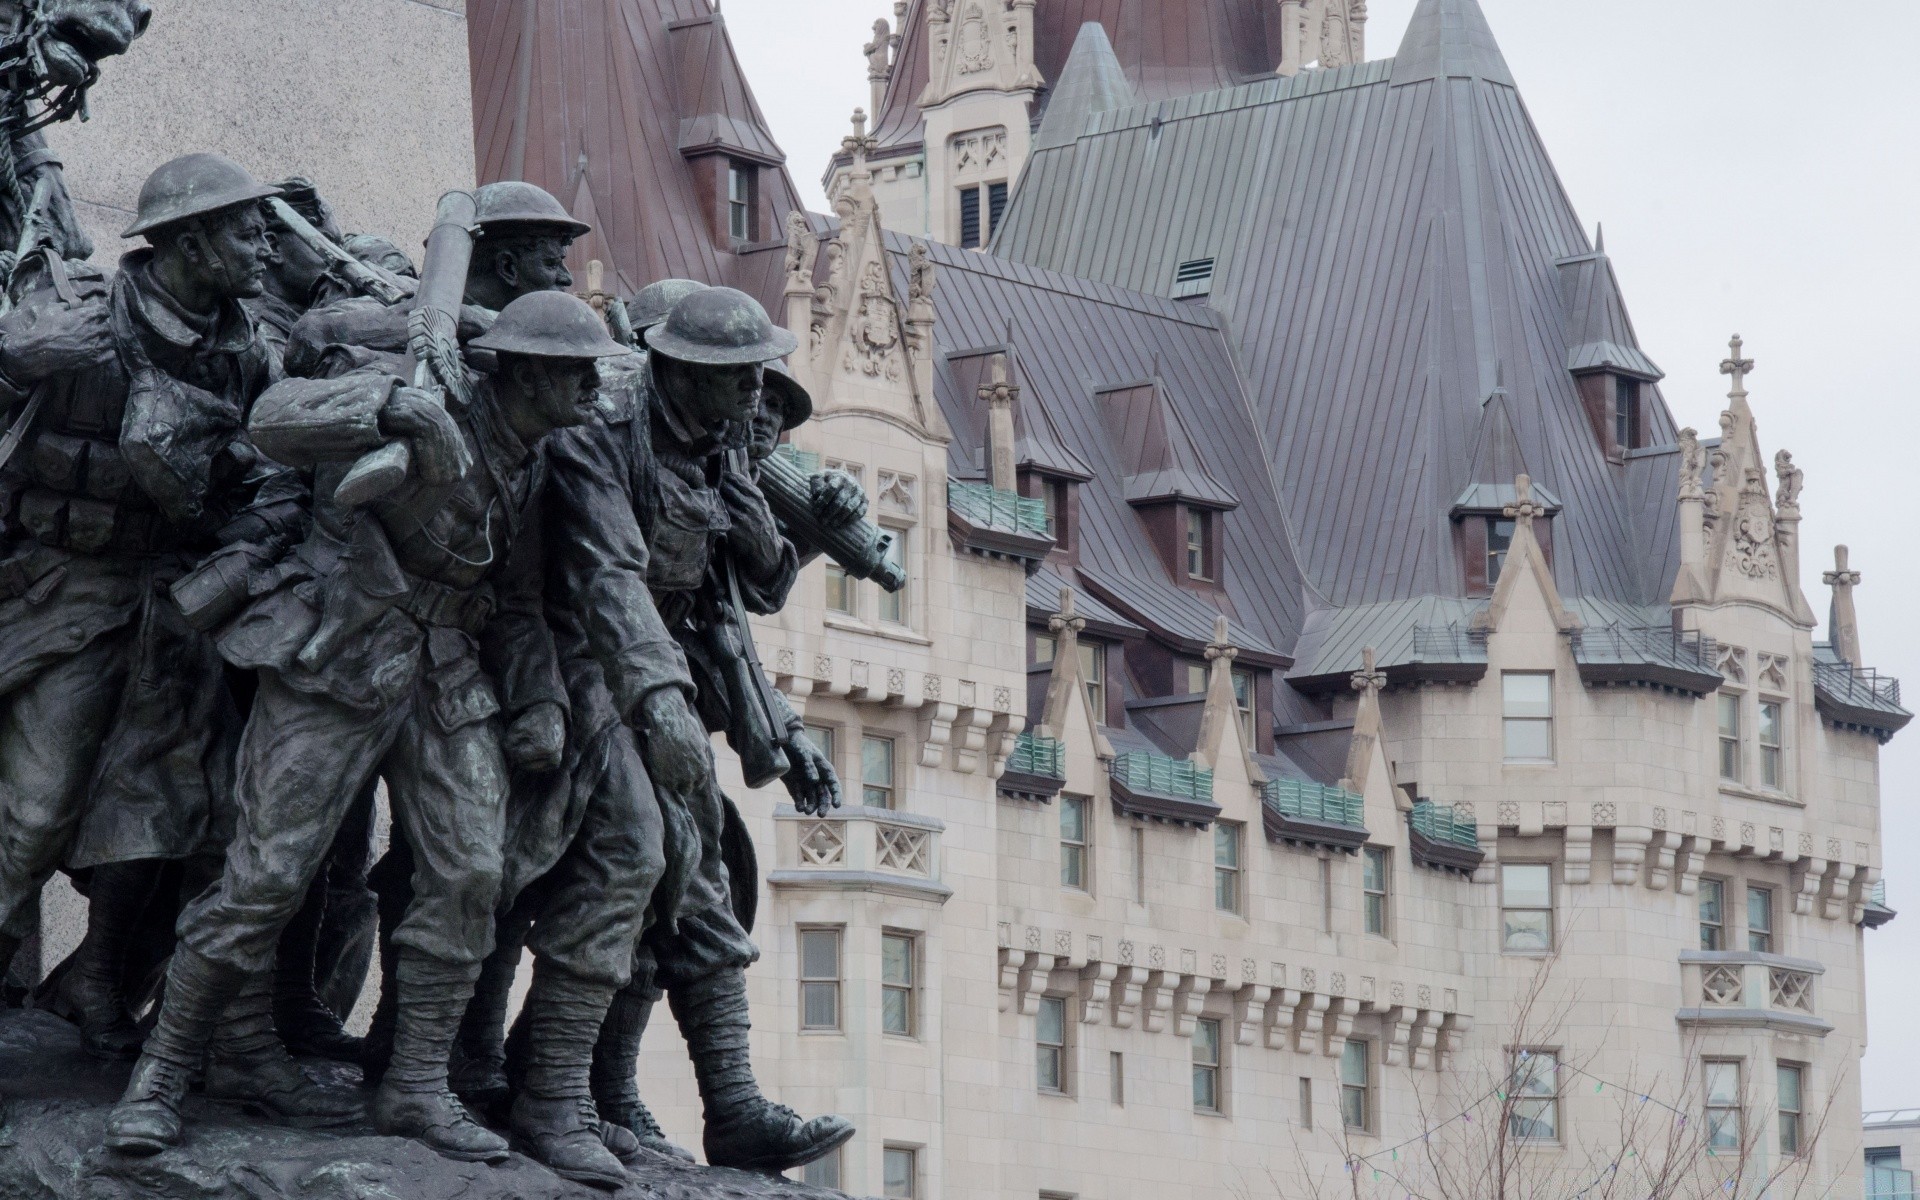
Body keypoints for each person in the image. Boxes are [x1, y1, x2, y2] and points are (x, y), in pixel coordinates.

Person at [103, 291, 622, 1165]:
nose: (593, 396)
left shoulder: (539, 462)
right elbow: (274, 418)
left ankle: (416, 1087)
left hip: (446, 670)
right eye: (578, 377)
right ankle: (161, 1071)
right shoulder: (422, 392)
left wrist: (541, 700)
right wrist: (391, 406)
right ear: (530, 372)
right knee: (265, 876)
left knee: (471, 872)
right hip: (340, 655)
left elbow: (522, 599)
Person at [525, 286, 854, 1173]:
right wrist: (661, 704)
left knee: (702, 868)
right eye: (740, 376)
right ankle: (548, 1093)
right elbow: (608, 581)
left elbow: (722, 610)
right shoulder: (605, 427)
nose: (757, 392)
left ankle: (733, 1109)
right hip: (568, 654)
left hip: (648, 661)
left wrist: (779, 730)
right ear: (683, 369)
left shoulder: (715, 446)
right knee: (632, 848)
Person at [0, 153, 304, 1063]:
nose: (264, 248)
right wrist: (14, 364)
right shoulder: (78, 310)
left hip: (172, 602)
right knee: (36, 814)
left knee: (163, 810)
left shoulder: (247, 348)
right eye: (247, 232)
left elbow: (269, 474)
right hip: (59, 590)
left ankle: (96, 988)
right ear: (191, 239)